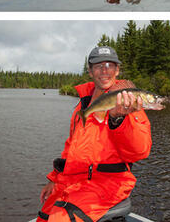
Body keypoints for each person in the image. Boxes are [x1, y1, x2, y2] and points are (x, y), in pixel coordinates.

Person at [36, 46, 153, 222]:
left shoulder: (128, 102)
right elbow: (71, 148)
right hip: (73, 182)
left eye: (110, 65)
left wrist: (118, 119)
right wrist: (54, 179)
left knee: (59, 218)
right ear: (90, 71)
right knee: (44, 216)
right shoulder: (83, 104)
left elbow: (140, 151)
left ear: (117, 70)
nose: (104, 70)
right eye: (98, 66)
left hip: (108, 184)